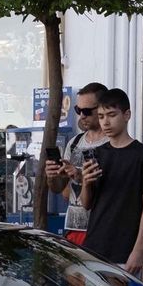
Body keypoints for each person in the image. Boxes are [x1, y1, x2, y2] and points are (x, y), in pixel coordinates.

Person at [79, 89, 143, 274]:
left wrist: (139, 249)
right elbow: (86, 204)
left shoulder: (142, 154)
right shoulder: (97, 153)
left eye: (112, 115)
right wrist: (86, 182)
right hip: (94, 246)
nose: (105, 121)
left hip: (125, 249)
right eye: (101, 116)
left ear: (127, 115)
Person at [46, 82, 110, 245]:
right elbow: (62, 192)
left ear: (103, 109)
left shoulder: (113, 144)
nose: (81, 115)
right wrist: (54, 176)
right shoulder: (74, 143)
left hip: (103, 229)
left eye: (87, 111)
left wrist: (80, 175)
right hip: (73, 228)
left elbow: (113, 190)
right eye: (78, 110)